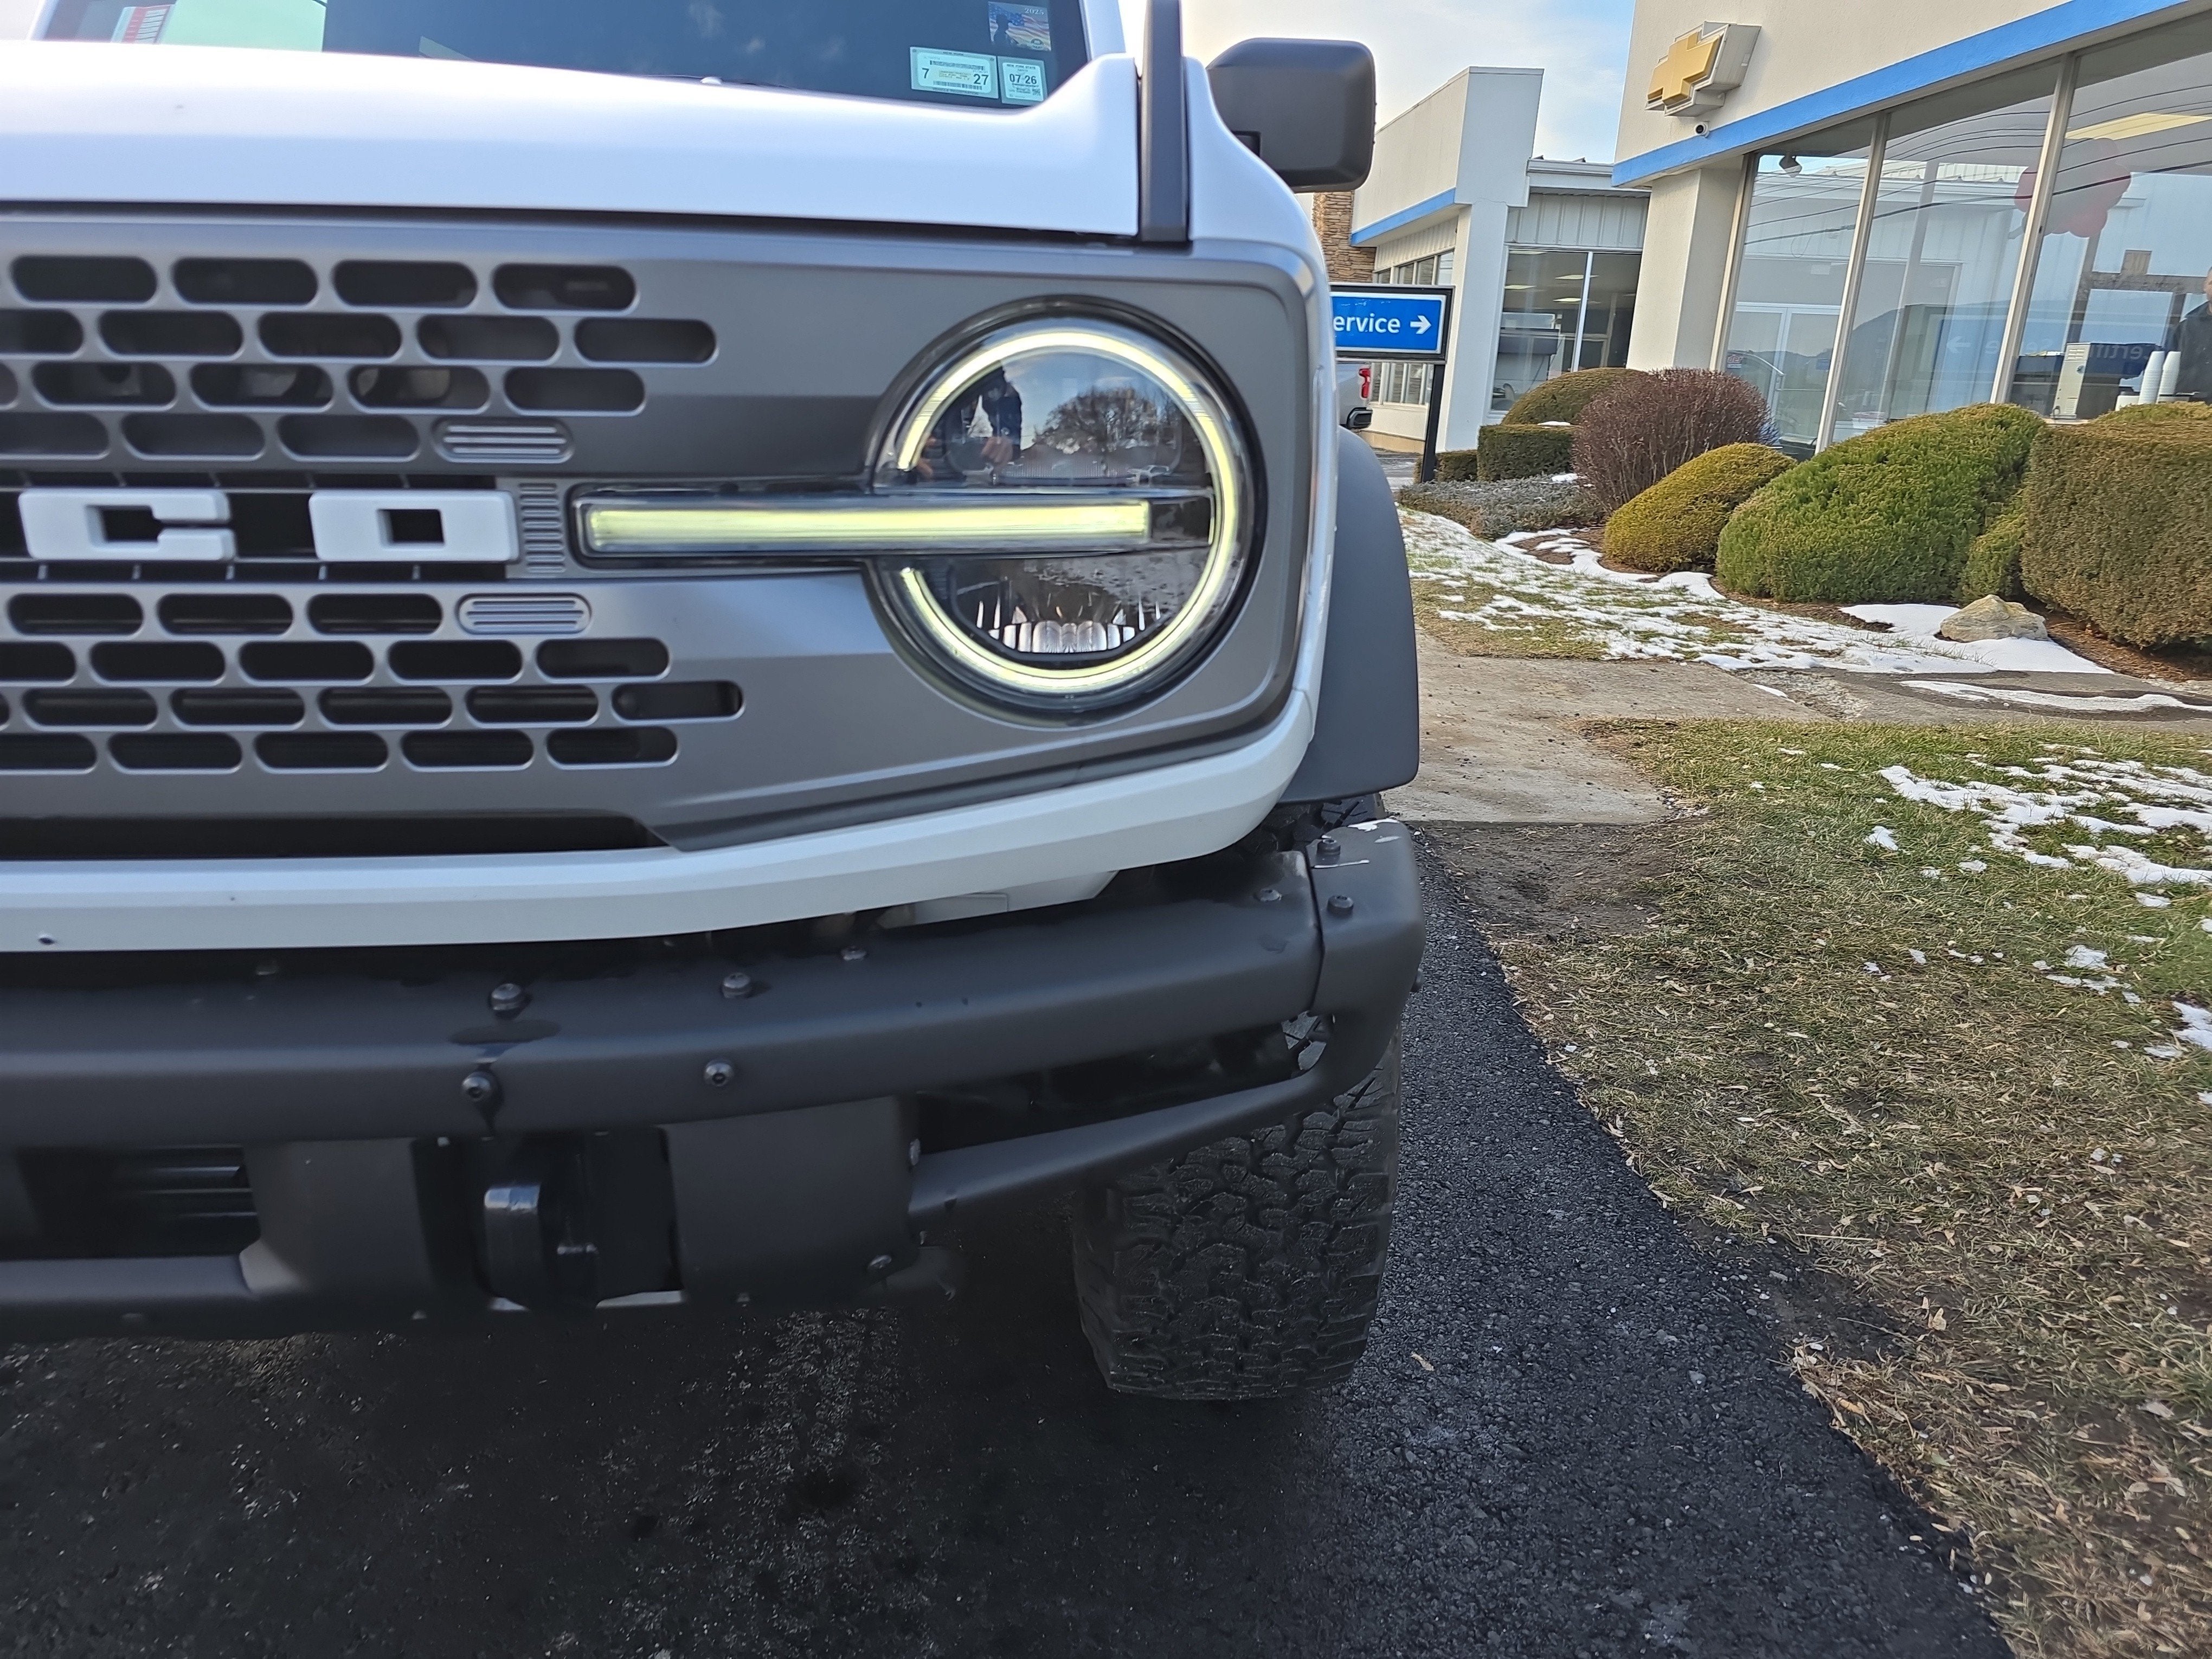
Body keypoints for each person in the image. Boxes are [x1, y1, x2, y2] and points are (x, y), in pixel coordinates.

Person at [2171, 267, 2212, 401]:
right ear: (2205, 286)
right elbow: (2167, 368)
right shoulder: (2185, 328)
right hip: (2185, 405)